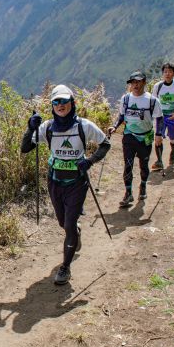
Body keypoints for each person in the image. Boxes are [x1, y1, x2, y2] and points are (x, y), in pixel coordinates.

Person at [21, 84, 110, 284]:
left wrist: (89, 161)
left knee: (68, 225)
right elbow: (26, 148)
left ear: (72, 103)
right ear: (52, 105)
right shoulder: (47, 128)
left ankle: (65, 268)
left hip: (76, 183)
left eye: (64, 101)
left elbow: (105, 144)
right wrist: (30, 128)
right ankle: (75, 232)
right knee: (63, 223)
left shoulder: (84, 126)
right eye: (56, 102)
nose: (60, 105)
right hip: (54, 181)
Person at [107, 71, 163, 207]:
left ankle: (143, 186)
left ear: (144, 82)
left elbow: (159, 118)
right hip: (129, 136)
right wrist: (114, 127)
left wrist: (158, 134)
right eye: (133, 82)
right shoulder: (126, 99)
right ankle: (128, 193)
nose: (135, 85)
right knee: (128, 165)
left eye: (138, 82)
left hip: (145, 137)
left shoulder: (152, 101)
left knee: (144, 165)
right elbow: (121, 116)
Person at [151, 63, 174, 170]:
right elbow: (153, 101)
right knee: (158, 138)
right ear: (162, 73)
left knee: (173, 139)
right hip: (160, 116)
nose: (167, 74)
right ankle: (159, 161)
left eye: (170, 72)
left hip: (173, 115)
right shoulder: (158, 86)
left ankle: (173, 152)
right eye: (165, 72)